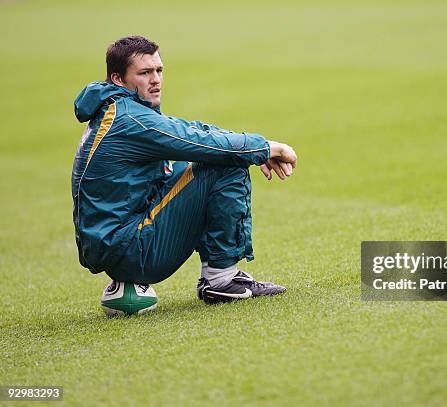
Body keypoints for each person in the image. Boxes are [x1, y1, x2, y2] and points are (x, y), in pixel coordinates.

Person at [71, 35, 297, 304]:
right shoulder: (131, 119)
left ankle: (218, 277)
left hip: (116, 244)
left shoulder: (119, 109)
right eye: (145, 72)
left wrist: (254, 149)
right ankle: (221, 279)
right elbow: (201, 143)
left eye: (159, 70)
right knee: (225, 163)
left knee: (210, 157)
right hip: (131, 249)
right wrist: (266, 148)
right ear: (118, 79)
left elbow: (192, 132)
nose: (155, 79)